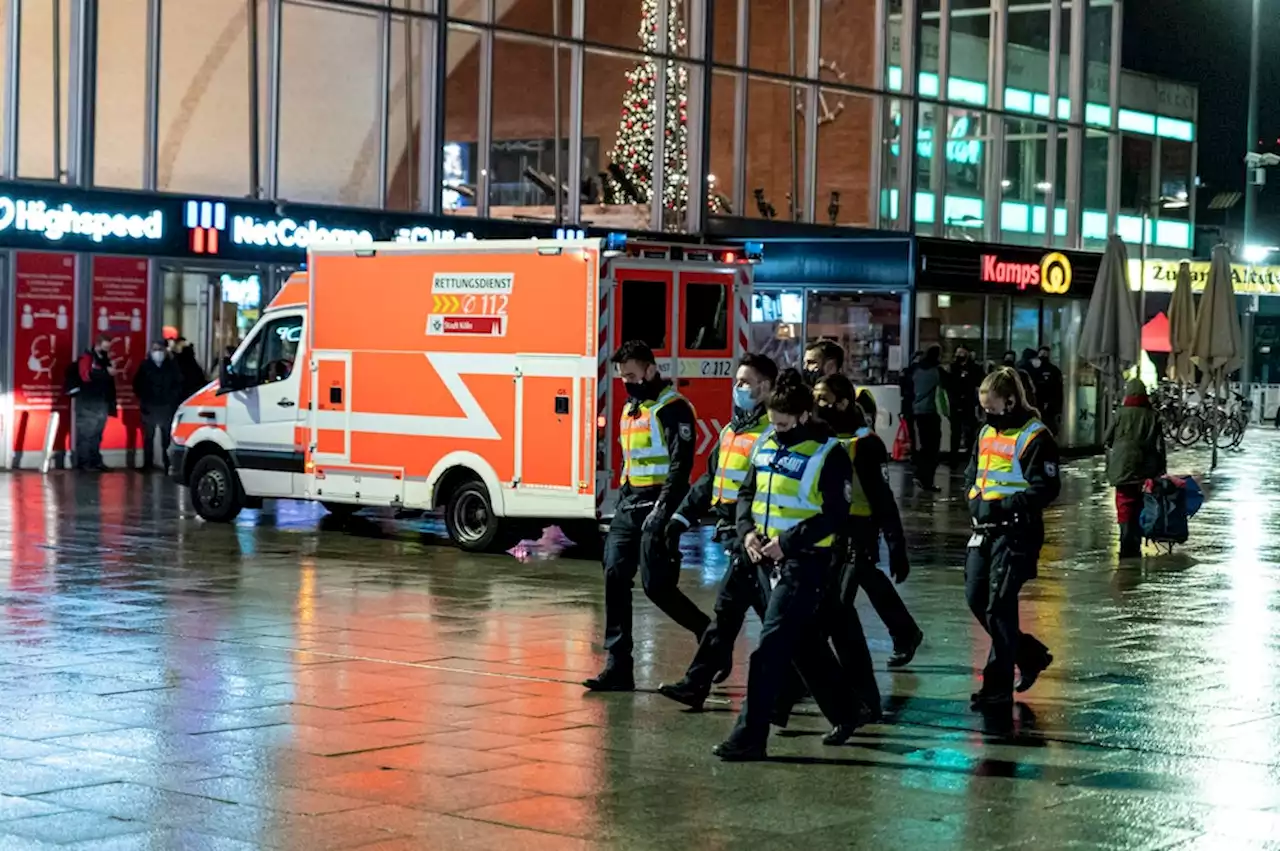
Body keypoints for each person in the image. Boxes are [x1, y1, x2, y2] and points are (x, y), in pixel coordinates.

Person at [713, 371, 862, 761]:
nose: (775, 430)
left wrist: (787, 543)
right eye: (772, 422)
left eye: (782, 423)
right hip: (763, 559)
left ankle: (750, 735)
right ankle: (848, 711)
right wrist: (747, 533)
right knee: (804, 644)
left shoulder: (828, 453)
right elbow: (747, 492)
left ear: (801, 416)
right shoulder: (766, 441)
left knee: (769, 649)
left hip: (804, 563)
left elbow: (834, 515)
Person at [585, 341, 708, 692]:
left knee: (657, 588)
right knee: (613, 573)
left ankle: (706, 632)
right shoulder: (631, 407)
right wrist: (623, 496)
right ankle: (618, 664)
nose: (627, 382)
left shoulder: (673, 408)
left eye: (633, 375)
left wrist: (663, 511)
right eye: (623, 376)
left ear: (652, 370)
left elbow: (680, 466)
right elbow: (631, 460)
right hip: (630, 502)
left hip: (659, 503)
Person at [658, 354, 777, 710]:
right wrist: (680, 518)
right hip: (735, 535)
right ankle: (696, 685)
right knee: (733, 617)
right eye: (737, 381)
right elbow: (711, 480)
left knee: (771, 620)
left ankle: (816, 689)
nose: (737, 388)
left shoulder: (771, 433)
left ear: (766, 387)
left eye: (745, 382)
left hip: (756, 540)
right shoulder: (732, 430)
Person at [964, 367, 1060, 710]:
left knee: (999, 606)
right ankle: (1029, 655)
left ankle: (997, 687)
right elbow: (974, 472)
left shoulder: (1036, 436)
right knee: (977, 599)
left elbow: (1045, 488)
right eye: (983, 406)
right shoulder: (985, 432)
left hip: (1017, 531)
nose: (986, 413)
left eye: (991, 406)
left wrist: (1002, 506)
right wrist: (974, 500)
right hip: (984, 529)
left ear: (1010, 400)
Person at [814, 374, 922, 671]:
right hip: (828, 527)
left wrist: (895, 544)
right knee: (865, 580)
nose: (817, 404)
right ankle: (905, 632)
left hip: (857, 527)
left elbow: (882, 497)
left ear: (843, 402)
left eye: (823, 398)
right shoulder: (821, 437)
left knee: (837, 599)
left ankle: (823, 668)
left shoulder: (864, 444)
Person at [1105, 378, 1166, 558]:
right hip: (1145, 467)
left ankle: (1125, 542)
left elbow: (1106, 439)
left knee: (1123, 502)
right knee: (1140, 503)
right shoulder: (1152, 415)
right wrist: (1161, 470)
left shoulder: (1120, 414)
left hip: (1121, 466)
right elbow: (1160, 446)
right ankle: (1136, 543)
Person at [133, 341, 184, 473]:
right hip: (149, 406)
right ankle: (147, 464)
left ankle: (167, 464)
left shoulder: (172, 366)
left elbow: (178, 384)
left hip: (166, 406)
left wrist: (172, 398)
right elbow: (137, 384)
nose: (158, 352)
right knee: (148, 437)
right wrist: (144, 398)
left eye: (160, 349)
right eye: (155, 349)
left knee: (166, 438)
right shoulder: (145, 366)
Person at [73, 335, 117, 472]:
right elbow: (85, 376)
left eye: (108, 348)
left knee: (97, 435)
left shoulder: (104, 360)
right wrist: (106, 372)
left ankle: (95, 461)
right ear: (97, 345)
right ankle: (84, 463)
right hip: (88, 403)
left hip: (101, 402)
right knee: (86, 434)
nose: (106, 350)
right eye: (104, 347)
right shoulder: (87, 358)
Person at [910, 345, 944, 491]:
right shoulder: (936, 372)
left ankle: (919, 474)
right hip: (931, 412)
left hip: (917, 412)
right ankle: (927, 480)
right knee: (933, 448)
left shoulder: (916, 371)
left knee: (923, 446)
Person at [947, 345, 983, 465]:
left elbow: (980, 381)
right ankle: (953, 457)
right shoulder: (953, 368)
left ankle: (970, 457)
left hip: (969, 404)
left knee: (969, 432)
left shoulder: (974, 368)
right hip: (955, 403)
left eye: (962, 353)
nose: (960, 356)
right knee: (955, 432)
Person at [1030, 345, 1065, 434]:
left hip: (1047, 404)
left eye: (1045, 353)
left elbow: (1058, 389)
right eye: (1042, 353)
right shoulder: (1034, 369)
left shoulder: (1053, 370)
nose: (1043, 355)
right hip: (1040, 403)